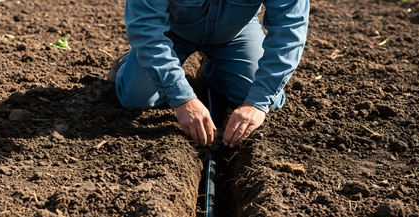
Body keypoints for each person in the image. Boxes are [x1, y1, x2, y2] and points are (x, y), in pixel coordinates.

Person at [108, 0, 309, 148]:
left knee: (264, 99)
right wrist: (182, 99)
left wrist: (258, 102)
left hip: (234, 33)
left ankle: (214, 70)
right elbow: (145, 27)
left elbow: (289, 32)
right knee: (136, 97)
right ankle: (129, 63)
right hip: (170, 31)